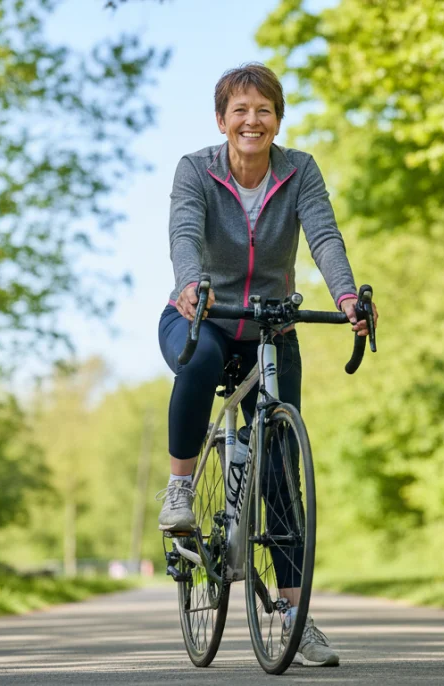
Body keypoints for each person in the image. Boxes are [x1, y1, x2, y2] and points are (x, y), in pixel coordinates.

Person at [156, 63, 378, 667]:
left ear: (277, 118)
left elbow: (324, 237)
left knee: (282, 469)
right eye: (240, 110)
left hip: (271, 321)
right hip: (201, 312)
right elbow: (185, 233)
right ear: (222, 119)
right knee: (198, 361)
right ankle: (179, 490)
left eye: (264, 110)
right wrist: (190, 284)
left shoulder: (299, 169)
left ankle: (293, 617)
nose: (252, 121)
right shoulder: (195, 170)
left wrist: (347, 297)